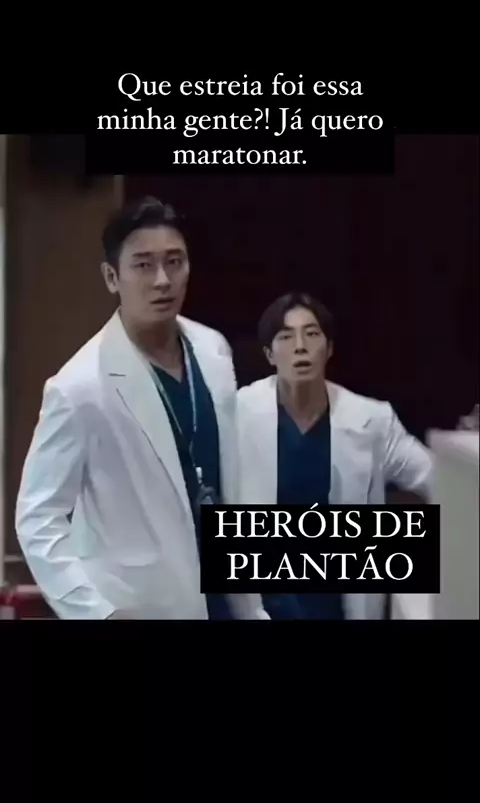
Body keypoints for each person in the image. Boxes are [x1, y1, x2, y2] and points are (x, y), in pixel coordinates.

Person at [15, 196, 268, 621]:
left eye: (174, 262)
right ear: (112, 277)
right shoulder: (80, 386)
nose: (162, 280)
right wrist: (98, 613)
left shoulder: (212, 350)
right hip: (144, 606)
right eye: (144, 265)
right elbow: (37, 519)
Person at [236, 292, 434, 620]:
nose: (300, 346)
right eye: (286, 336)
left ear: (329, 349)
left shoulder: (372, 420)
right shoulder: (236, 414)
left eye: (312, 334)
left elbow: (440, 480)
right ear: (269, 354)